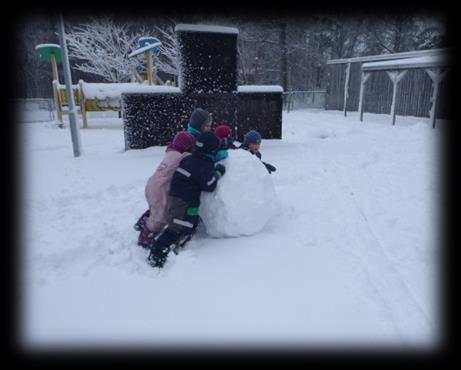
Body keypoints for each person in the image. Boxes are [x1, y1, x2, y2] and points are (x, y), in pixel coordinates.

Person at [147, 132, 226, 268]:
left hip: (180, 199)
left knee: (190, 223)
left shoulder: (190, 159)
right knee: (176, 227)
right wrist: (218, 172)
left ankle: (181, 241)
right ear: (211, 150)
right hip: (183, 201)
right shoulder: (203, 165)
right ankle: (156, 254)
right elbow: (209, 185)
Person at [136, 131, 196, 248]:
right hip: (159, 189)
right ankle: (145, 236)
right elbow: (191, 158)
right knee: (161, 217)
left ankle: (144, 221)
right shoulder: (181, 156)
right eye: (190, 147)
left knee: (158, 209)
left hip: (152, 185)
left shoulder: (171, 153)